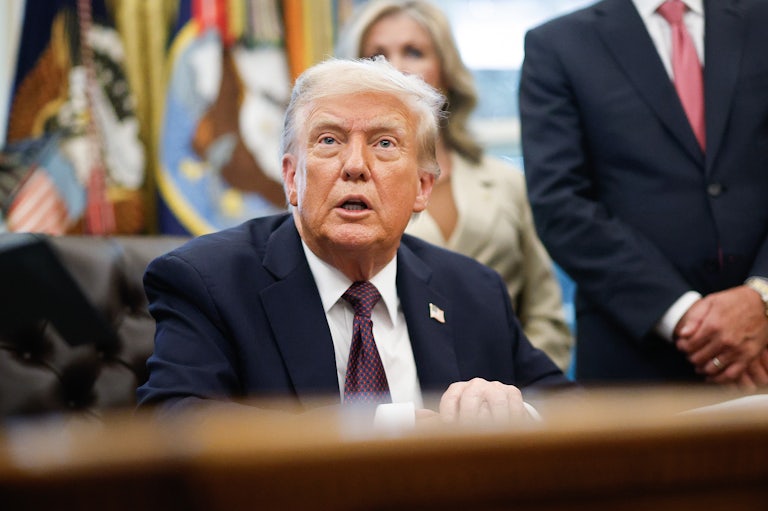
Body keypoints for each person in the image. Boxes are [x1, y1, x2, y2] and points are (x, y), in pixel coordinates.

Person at [137, 57, 569, 424]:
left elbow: (573, 411)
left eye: (384, 143)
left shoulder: (472, 290)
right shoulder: (209, 282)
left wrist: (518, 415)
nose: (355, 166)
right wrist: (376, 428)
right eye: (329, 140)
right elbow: (174, 423)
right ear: (292, 178)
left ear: (422, 187)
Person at [519, 0, 768, 387]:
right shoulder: (558, 44)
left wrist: (760, 298)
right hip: (636, 359)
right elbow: (560, 205)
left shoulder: (760, 21)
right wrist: (689, 319)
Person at [335, 0, 574, 372]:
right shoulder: (346, 189)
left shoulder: (507, 183)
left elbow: (546, 313)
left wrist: (520, 396)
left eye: (413, 51)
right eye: (377, 56)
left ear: (444, 70)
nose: (396, 67)